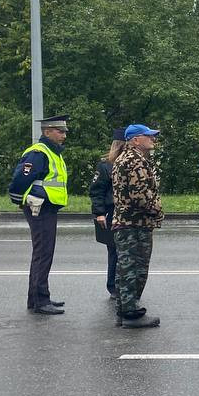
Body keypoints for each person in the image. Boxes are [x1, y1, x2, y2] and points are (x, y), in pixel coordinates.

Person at [8, 114, 71, 315]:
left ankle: (35, 299)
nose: (64, 136)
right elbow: (20, 179)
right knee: (43, 253)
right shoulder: (39, 152)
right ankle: (40, 300)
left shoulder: (52, 152)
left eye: (64, 132)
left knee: (43, 253)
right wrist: (19, 200)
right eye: (60, 131)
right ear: (47, 131)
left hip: (47, 207)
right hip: (40, 207)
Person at [112, 124, 164, 329]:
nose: (153, 139)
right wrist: (158, 210)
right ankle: (131, 314)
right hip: (134, 224)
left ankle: (124, 310)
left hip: (127, 223)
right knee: (135, 269)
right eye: (148, 136)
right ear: (135, 140)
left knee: (125, 269)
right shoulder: (135, 161)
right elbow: (140, 196)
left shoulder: (125, 158)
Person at [89, 127, 125, 300]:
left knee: (127, 251)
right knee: (114, 251)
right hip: (111, 212)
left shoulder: (131, 164)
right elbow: (97, 191)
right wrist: (99, 213)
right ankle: (113, 286)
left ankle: (125, 285)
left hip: (127, 213)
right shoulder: (106, 166)